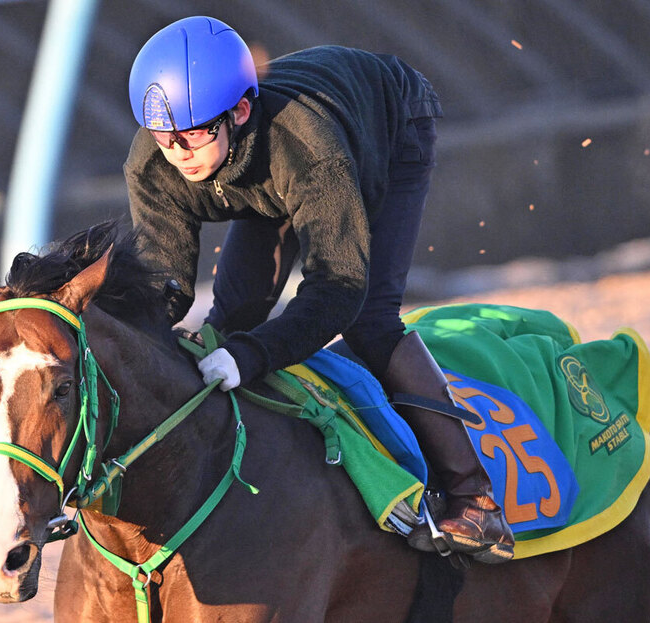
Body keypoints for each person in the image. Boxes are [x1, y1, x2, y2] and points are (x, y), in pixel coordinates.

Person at [124, 15, 513, 563]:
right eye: (164, 137)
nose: (179, 152)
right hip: (268, 168)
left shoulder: (310, 151)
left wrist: (255, 354)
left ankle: (475, 496)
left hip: (388, 127)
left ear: (238, 111)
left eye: (191, 134)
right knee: (232, 320)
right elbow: (164, 287)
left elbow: (338, 287)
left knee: (368, 320)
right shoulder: (154, 161)